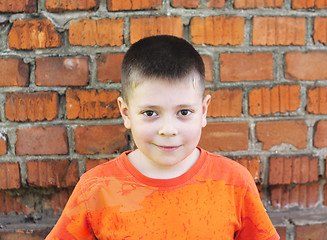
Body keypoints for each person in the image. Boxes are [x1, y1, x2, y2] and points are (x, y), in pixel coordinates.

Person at [46, 35, 279, 240]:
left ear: (204, 111)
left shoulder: (234, 182)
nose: (168, 129)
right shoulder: (96, 189)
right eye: (150, 113)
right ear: (126, 113)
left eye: (184, 112)